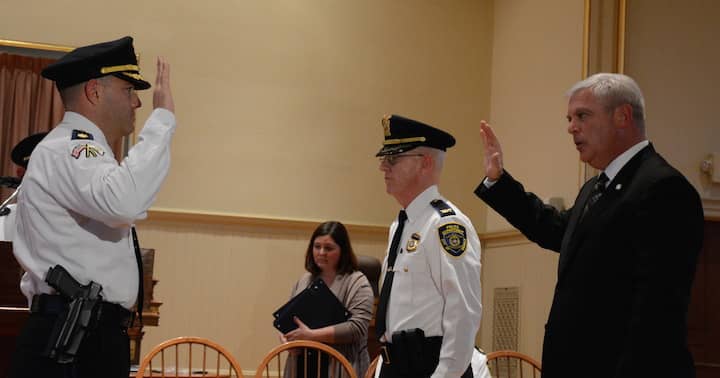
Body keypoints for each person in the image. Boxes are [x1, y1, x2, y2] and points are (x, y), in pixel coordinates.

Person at [475, 73, 704, 377]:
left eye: (582, 115)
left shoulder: (663, 188)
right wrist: (498, 182)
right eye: (570, 118)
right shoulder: (597, 187)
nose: (571, 127)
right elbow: (555, 229)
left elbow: (656, 315)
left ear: (622, 116)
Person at [9, 36, 176, 378]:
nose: (138, 103)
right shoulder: (70, 149)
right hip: (71, 336)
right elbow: (123, 203)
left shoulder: (85, 151)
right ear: (94, 92)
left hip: (87, 331)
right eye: (129, 90)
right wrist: (161, 123)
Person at [375, 115, 482, 378]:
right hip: (397, 363)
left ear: (425, 163)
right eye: (383, 159)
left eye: (393, 159)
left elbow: (464, 313)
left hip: (429, 367)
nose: (383, 168)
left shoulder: (446, 225)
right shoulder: (401, 225)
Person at [281, 221, 374, 378]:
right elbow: (289, 320)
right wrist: (287, 341)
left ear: (342, 251)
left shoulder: (357, 282)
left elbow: (356, 328)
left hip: (340, 366)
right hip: (302, 365)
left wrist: (311, 336)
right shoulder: (304, 280)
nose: (321, 252)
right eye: (317, 247)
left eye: (328, 248)